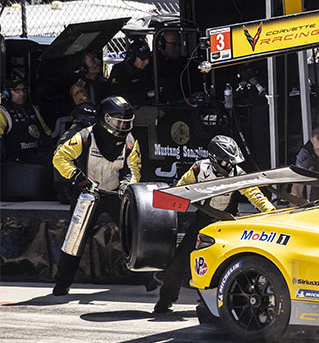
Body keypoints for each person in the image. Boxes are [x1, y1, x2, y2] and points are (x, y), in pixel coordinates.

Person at [154, 135, 274, 314]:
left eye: (233, 162)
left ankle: (235, 305)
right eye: (227, 162)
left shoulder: (238, 174)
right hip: (202, 224)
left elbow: (255, 195)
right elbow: (179, 189)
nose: (231, 166)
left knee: (232, 267)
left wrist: (271, 212)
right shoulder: (198, 169)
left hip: (227, 226)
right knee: (179, 263)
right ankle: (165, 301)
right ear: (215, 160)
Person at [51, 96, 141, 296]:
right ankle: (62, 284)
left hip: (115, 195)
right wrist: (78, 177)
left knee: (133, 236)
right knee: (74, 239)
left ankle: (149, 279)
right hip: (87, 194)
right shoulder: (83, 137)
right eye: (118, 121)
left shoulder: (130, 141)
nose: (122, 126)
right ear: (104, 119)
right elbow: (59, 157)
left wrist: (127, 184)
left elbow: (134, 169)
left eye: (126, 122)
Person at [1, 75, 52, 162]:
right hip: (13, 164)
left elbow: (47, 134)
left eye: (24, 90)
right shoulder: (3, 112)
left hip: (37, 159)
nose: (22, 93)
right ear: (7, 93)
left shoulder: (32, 109)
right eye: (17, 90)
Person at [108, 39, 155, 106]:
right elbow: (117, 98)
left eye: (148, 58)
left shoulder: (148, 68)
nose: (147, 61)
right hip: (131, 109)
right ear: (132, 57)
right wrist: (146, 94)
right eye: (143, 59)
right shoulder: (120, 71)